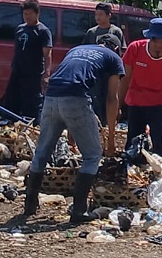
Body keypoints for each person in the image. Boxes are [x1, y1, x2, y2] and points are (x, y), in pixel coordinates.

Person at [23, 36, 124, 223]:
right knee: (93, 156)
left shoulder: (77, 49)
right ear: (117, 48)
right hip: (76, 98)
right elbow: (112, 98)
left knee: (42, 153)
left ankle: (29, 204)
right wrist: (110, 138)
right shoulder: (113, 57)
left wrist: (72, 132)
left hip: (51, 96)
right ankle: (79, 211)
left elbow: (69, 77)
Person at [120, 18, 162, 156]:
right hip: (135, 102)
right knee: (133, 143)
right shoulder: (135, 48)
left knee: (159, 144)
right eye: (156, 40)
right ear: (150, 38)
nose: (159, 45)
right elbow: (125, 78)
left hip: (158, 104)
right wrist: (118, 105)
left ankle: (160, 171)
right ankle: (131, 169)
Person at [1, 0, 53, 121]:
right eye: (25, 14)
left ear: (37, 13)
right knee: (12, 99)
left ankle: (32, 126)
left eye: (30, 14)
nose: (27, 17)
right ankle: (9, 124)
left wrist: (47, 74)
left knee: (31, 103)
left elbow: (48, 53)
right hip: (17, 71)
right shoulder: (20, 29)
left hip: (33, 73)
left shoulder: (43, 31)